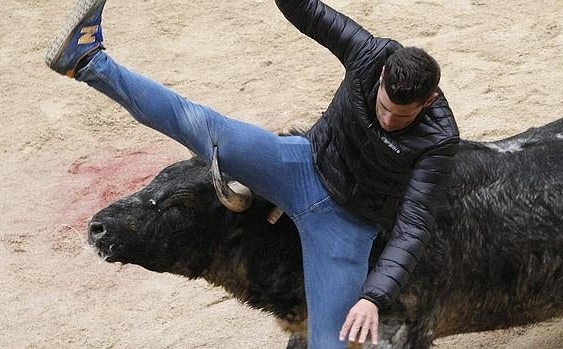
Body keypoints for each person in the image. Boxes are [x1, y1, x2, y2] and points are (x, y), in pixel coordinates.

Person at [46, 0, 460, 347]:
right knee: (198, 123)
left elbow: (413, 226)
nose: (387, 120)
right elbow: (305, 9)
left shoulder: (440, 138)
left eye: (400, 116)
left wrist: (373, 296)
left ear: (428, 103)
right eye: (383, 107)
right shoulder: (371, 55)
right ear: (384, 74)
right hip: (301, 165)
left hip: (347, 225)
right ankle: (86, 60)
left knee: (331, 343)